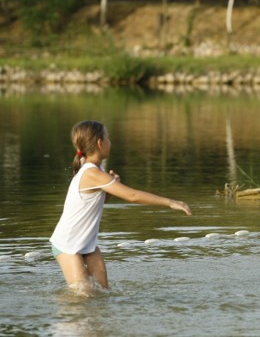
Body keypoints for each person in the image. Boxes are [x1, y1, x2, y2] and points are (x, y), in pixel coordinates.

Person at [50, 120, 192, 296]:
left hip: (87, 242)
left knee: (102, 292)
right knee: (84, 296)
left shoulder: (97, 169)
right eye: (108, 137)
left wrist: (109, 189)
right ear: (100, 143)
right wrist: (170, 202)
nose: (111, 142)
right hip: (68, 243)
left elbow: (95, 203)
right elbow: (132, 196)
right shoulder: (91, 173)